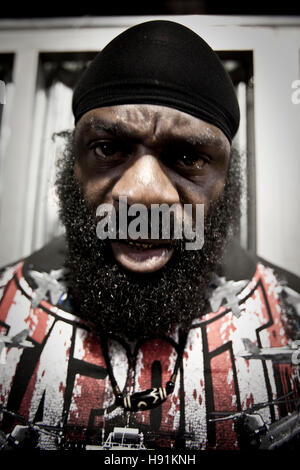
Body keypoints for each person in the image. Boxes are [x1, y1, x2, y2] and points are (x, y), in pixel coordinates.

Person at [0, 20, 299, 451]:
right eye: (108, 148)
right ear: (72, 164)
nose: (142, 194)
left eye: (188, 156)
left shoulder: (293, 324)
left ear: (228, 179)